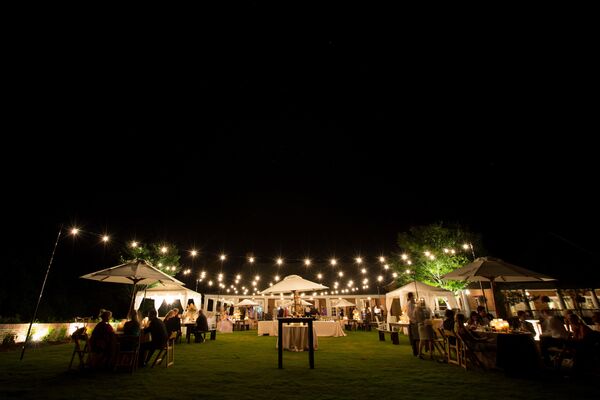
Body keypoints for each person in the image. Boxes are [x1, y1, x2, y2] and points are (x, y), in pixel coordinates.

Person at [406, 292, 419, 357]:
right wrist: (415, 319)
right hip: (413, 322)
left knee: (415, 337)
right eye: (413, 296)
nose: (414, 298)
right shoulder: (410, 304)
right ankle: (416, 352)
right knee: (415, 337)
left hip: (413, 321)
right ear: (411, 297)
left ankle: (417, 351)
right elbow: (410, 313)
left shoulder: (412, 303)